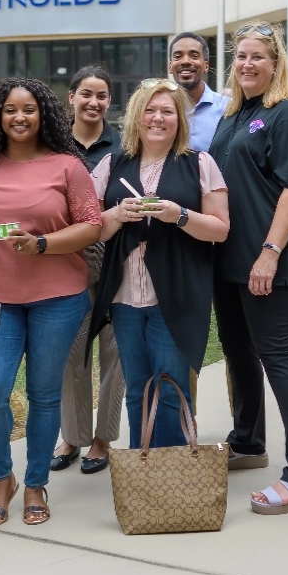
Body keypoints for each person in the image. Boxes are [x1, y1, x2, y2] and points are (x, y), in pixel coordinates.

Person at [0, 78, 101, 527]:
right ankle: (3, 478)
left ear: (43, 115)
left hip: (59, 297)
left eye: (29, 109)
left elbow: (91, 226)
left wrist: (40, 244)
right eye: (11, 110)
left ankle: (35, 482)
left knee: (43, 393)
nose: (20, 117)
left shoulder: (66, 166)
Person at [208, 22, 288, 515]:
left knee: (278, 358)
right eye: (241, 57)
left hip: (262, 260)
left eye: (258, 57)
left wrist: (270, 252)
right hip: (226, 260)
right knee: (238, 355)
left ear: (276, 64)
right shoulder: (235, 115)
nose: (248, 64)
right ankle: (249, 441)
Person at [88, 79, 229, 449]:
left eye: (167, 111)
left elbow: (219, 230)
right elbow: (91, 231)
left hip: (177, 296)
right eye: (150, 110)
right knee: (137, 390)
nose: (158, 118)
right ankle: (144, 475)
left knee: (171, 388)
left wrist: (178, 215)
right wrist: (117, 214)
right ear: (136, 117)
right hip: (124, 297)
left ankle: (176, 478)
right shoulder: (111, 164)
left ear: (180, 120)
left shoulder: (200, 163)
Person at [51, 66, 125, 475]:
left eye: (101, 96)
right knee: (70, 353)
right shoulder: (53, 145)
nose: (93, 102)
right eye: (86, 94)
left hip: (115, 262)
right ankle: (73, 436)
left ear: (108, 102)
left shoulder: (123, 146)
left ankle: (102, 438)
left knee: (115, 353)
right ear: (72, 98)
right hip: (69, 262)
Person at [169, 32, 228, 152]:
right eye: (178, 56)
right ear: (170, 66)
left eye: (194, 56)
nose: (185, 61)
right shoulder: (160, 112)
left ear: (206, 66)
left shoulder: (228, 109)